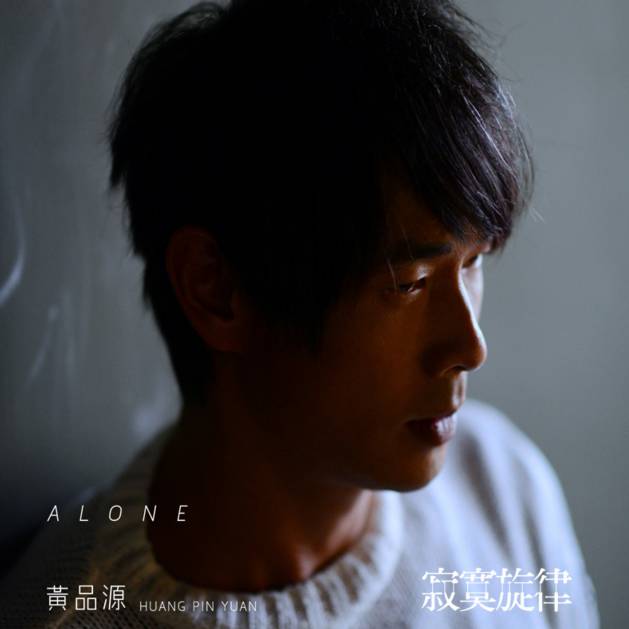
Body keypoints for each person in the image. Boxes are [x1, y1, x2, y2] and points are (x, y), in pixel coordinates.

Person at [0, 0, 599, 627]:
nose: (470, 347)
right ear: (216, 290)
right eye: (409, 284)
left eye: (472, 264)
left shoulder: (501, 487)